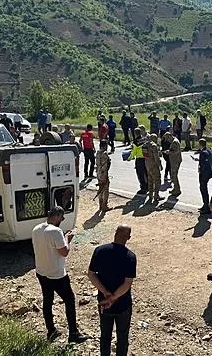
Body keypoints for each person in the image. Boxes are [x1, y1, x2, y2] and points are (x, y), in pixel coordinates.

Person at [31, 206, 88, 343]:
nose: (62, 220)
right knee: (69, 300)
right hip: (56, 274)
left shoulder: (36, 229)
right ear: (57, 216)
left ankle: (51, 331)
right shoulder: (56, 232)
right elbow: (64, 252)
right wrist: (67, 238)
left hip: (41, 271)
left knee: (47, 301)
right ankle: (73, 333)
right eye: (62, 218)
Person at [87, 225, 136, 356]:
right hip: (123, 304)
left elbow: (91, 274)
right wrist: (114, 297)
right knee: (122, 337)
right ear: (128, 238)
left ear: (115, 233)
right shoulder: (130, 256)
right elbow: (127, 283)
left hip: (104, 303)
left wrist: (105, 293)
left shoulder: (100, 250)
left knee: (105, 336)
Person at [193, 138, 212, 214]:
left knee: (203, 189)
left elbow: (203, 164)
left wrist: (201, 171)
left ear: (200, 144)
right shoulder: (208, 151)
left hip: (204, 174)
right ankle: (205, 205)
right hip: (208, 173)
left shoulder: (203, 152)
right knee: (204, 189)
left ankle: (206, 207)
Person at [143, 134, 163, 203]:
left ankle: (150, 196)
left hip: (147, 165)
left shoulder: (144, 145)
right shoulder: (153, 146)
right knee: (157, 181)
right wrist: (160, 165)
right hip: (154, 165)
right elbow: (156, 158)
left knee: (150, 181)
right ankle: (156, 196)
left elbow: (145, 156)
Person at [163, 132, 182, 196]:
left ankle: (177, 190)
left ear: (169, 136)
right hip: (174, 160)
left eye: (167, 139)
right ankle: (175, 188)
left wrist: (168, 152)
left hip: (175, 161)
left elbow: (175, 151)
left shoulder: (174, 142)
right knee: (173, 175)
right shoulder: (174, 141)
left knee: (174, 175)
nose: (167, 140)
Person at [96, 140, 111, 212]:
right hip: (103, 173)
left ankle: (100, 205)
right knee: (105, 189)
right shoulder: (105, 154)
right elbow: (105, 166)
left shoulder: (98, 153)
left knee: (100, 188)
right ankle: (104, 205)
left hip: (98, 172)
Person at [131, 129, 147, 194]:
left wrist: (130, 158)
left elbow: (134, 152)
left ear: (135, 133)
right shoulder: (144, 139)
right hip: (145, 158)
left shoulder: (135, 142)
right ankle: (148, 186)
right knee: (146, 173)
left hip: (139, 159)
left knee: (140, 174)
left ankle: (143, 188)